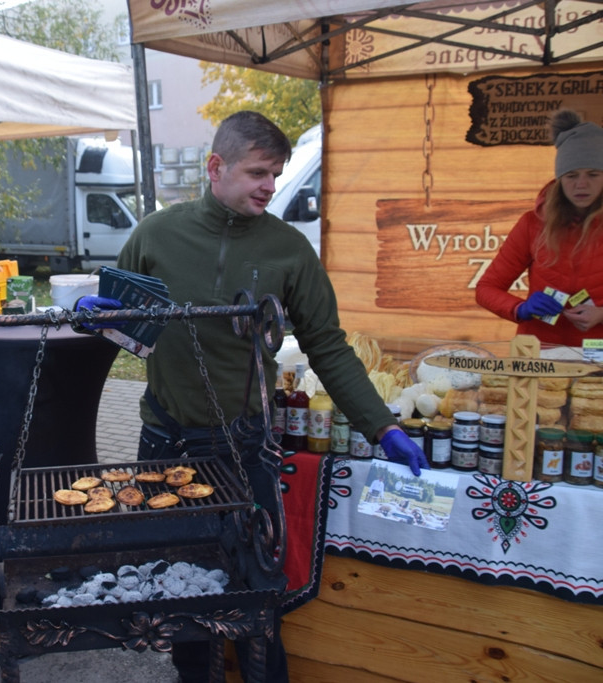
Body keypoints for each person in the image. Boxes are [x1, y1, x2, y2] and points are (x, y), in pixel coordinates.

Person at [94, 111, 428, 683]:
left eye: (276, 174)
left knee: (254, 592)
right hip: (164, 441)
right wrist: (96, 320)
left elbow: (327, 346)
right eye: (258, 173)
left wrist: (382, 426)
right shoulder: (156, 234)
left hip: (243, 446)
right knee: (178, 590)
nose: (271, 187)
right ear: (216, 167)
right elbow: (121, 325)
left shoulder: (289, 250)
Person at [475, 109, 603, 345]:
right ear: (559, 179)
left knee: (591, 384)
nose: (582, 184)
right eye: (572, 175)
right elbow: (486, 288)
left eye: (593, 174)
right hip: (538, 352)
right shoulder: (532, 224)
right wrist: (520, 308)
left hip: (597, 356)